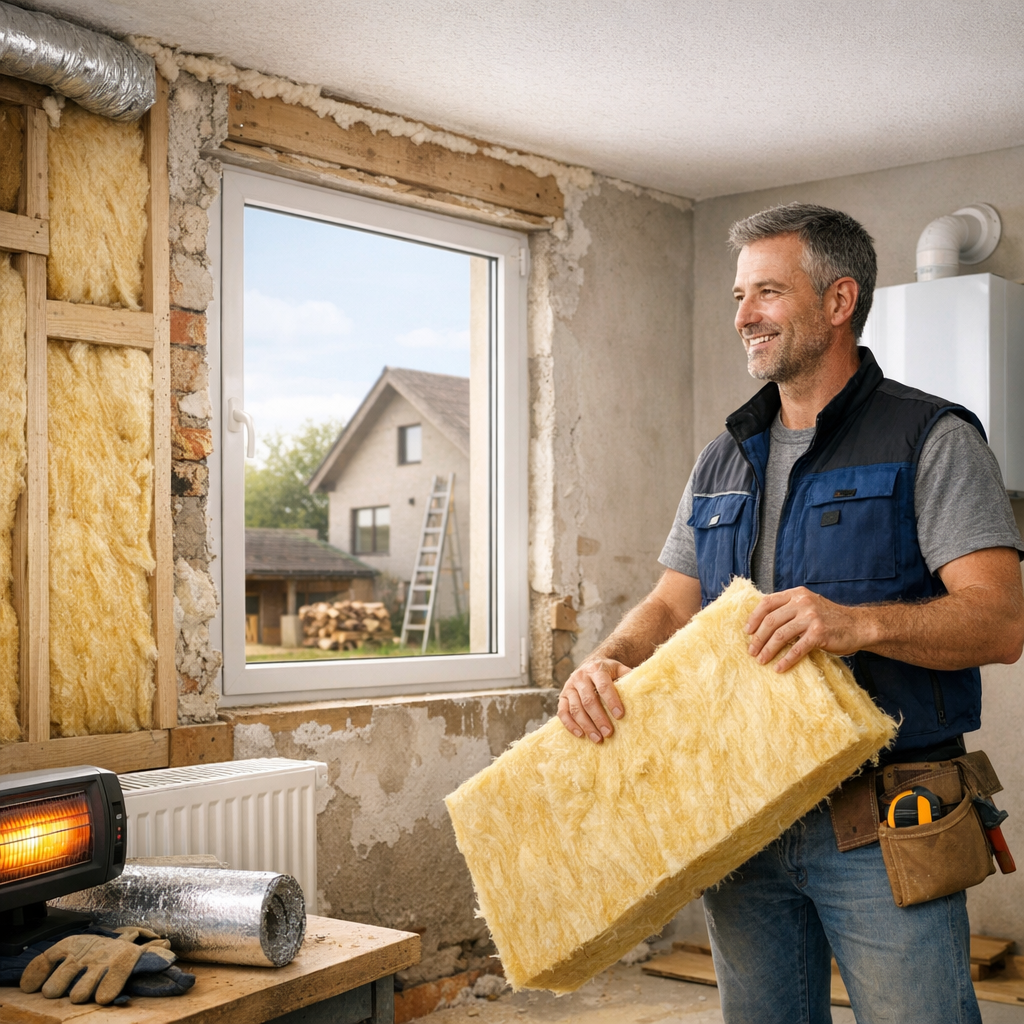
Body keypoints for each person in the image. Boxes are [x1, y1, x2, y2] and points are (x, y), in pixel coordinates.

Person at [557, 203, 1024, 1024]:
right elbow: (674, 600)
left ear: (839, 302)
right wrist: (610, 661)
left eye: (766, 293)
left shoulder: (933, 439)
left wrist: (860, 623)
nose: (743, 317)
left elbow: (1000, 622)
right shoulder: (723, 456)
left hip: (884, 823)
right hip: (738, 815)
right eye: (740, 296)